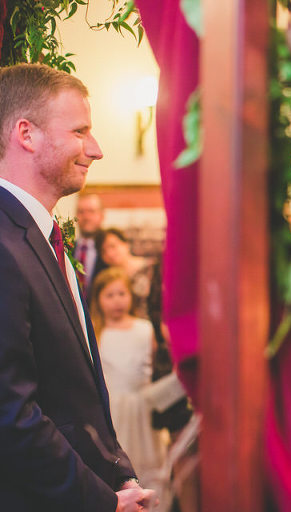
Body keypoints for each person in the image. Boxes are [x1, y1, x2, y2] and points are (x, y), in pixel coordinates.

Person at [0, 63, 154, 511]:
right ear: (26, 135)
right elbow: (12, 415)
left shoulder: (42, 238)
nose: (97, 149)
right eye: (81, 131)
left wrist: (120, 474)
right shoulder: (5, 244)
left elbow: (73, 394)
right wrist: (102, 501)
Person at [90, 267, 169, 511]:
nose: (117, 301)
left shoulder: (144, 329)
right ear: (98, 300)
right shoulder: (96, 331)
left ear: (131, 296)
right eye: (109, 295)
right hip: (113, 412)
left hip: (142, 409)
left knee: (149, 462)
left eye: (121, 293)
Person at [97, 227, 156, 319]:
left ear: (126, 244)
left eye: (112, 246)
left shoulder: (152, 268)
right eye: (103, 251)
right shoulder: (108, 279)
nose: (109, 253)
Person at [75, 192, 107, 301]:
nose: (86, 217)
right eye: (81, 212)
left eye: (91, 211)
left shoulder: (110, 249)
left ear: (102, 215)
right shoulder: (66, 249)